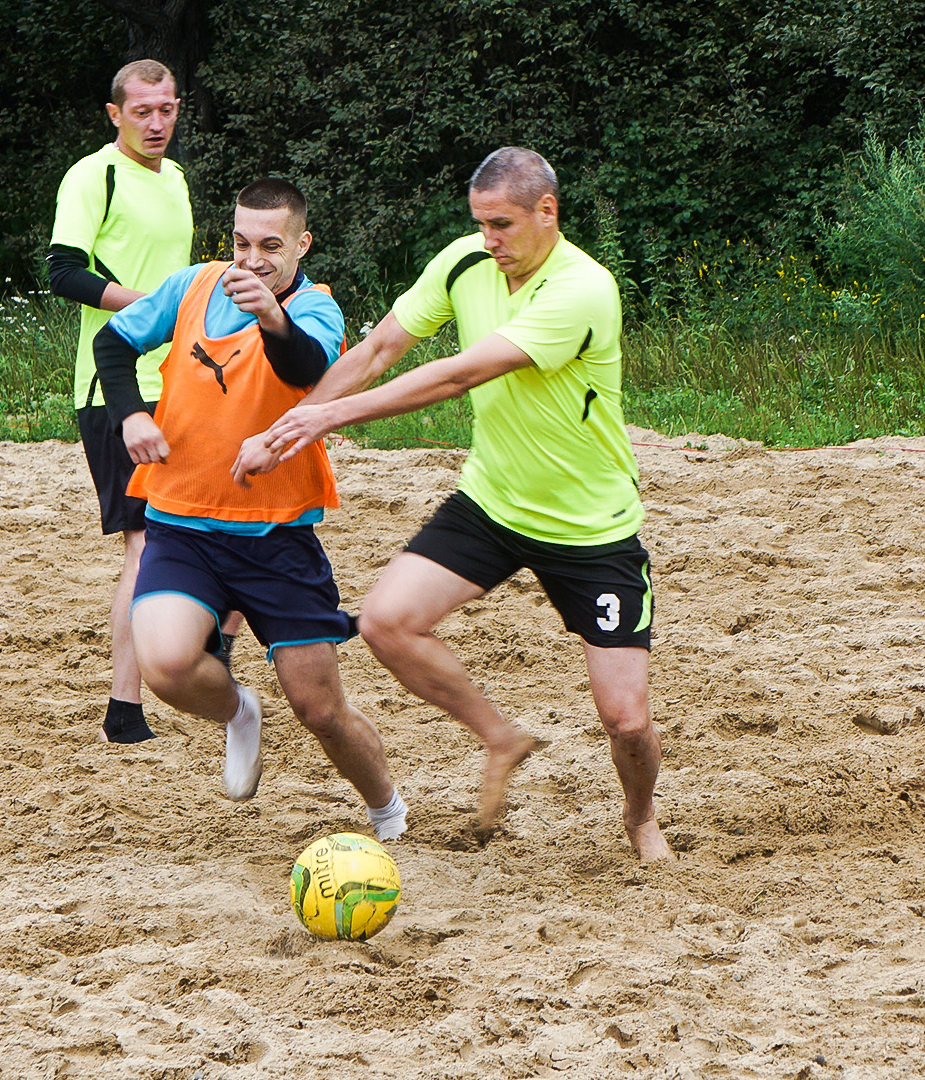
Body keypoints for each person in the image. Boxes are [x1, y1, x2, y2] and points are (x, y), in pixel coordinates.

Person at [235, 148, 671, 860]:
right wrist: (293, 424)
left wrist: (327, 421)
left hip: (591, 527)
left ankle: (640, 818)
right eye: (479, 223)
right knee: (384, 622)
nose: (488, 239)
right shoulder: (468, 260)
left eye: (501, 224)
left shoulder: (583, 288)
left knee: (624, 719)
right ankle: (501, 735)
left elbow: (457, 374)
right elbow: (380, 348)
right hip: (492, 503)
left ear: (546, 212)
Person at [90, 177, 408, 841]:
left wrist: (270, 313)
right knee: (166, 663)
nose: (251, 258)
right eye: (240, 242)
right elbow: (113, 344)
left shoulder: (317, 308)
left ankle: (387, 810)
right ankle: (239, 713)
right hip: (181, 522)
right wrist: (127, 416)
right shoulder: (194, 285)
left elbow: (303, 370)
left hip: (277, 538)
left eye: (269, 245)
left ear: (302, 243)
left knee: (321, 711)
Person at [46, 59, 243, 745]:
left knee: (221, 516)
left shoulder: (180, 179)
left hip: (188, 380)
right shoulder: (93, 175)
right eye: (142, 112)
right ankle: (123, 709)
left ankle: (211, 640)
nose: (157, 123)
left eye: (167, 110)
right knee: (145, 539)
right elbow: (63, 271)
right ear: (115, 115)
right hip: (115, 386)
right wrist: (158, 308)